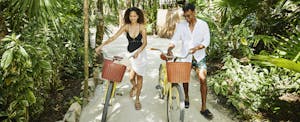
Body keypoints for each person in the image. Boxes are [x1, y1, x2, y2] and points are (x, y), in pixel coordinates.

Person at [95, 7, 147, 110]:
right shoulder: (126, 27)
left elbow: (145, 43)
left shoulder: (142, 27)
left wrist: (138, 52)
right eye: (131, 16)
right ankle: (135, 87)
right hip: (130, 53)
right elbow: (113, 37)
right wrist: (101, 46)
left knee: (139, 77)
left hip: (140, 54)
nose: (133, 18)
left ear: (138, 16)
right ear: (128, 16)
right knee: (131, 77)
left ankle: (137, 100)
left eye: (135, 16)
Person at [167, 3, 213, 119]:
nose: (187, 19)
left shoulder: (203, 25)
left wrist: (197, 48)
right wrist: (170, 47)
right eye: (185, 16)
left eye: (189, 16)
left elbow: (206, 41)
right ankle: (186, 97)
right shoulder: (181, 25)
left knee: (203, 79)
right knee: (185, 79)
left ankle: (204, 107)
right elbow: (175, 38)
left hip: (199, 56)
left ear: (194, 12)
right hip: (185, 56)